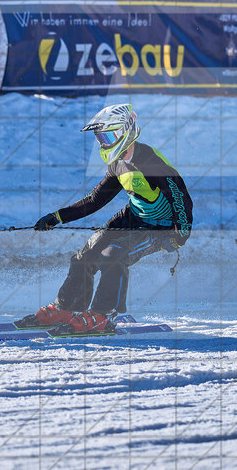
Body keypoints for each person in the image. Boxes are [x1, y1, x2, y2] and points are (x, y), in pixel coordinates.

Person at [25, 104, 193, 334]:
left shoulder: (151, 163)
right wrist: (57, 217)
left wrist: (180, 235)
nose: (104, 143)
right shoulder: (117, 164)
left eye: (108, 136)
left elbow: (181, 198)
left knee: (112, 257)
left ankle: (101, 315)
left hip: (158, 227)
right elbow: (95, 200)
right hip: (132, 217)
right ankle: (66, 308)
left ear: (126, 131)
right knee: (85, 255)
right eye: (100, 138)